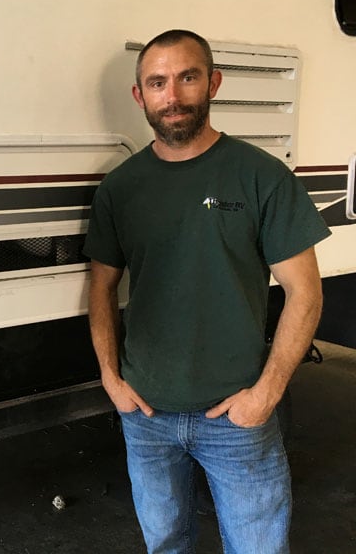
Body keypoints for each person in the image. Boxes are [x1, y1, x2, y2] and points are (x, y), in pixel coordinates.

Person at [84, 29, 330, 554]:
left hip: (237, 416)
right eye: (157, 83)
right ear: (140, 96)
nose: (171, 96)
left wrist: (265, 394)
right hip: (145, 414)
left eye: (187, 77)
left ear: (213, 83)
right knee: (166, 545)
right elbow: (101, 287)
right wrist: (110, 378)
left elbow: (304, 292)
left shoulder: (261, 177)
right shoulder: (120, 188)